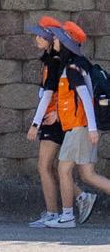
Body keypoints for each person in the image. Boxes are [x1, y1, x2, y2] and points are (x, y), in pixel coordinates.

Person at [46, 21, 110, 229]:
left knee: (63, 169)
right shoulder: (78, 65)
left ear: (66, 43)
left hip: (79, 128)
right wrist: (58, 114)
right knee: (88, 175)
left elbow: (85, 98)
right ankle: (67, 214)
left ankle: (67, 216)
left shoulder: (72, 68)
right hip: (82, 127)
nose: (54, 40)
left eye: (58, 38)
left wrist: (91, 128)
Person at [25, 15, 73, 228]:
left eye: (41, 36)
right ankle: (60, 208)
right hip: (52, 117)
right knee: (49, 167)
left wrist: (35, 124)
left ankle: (54, 213)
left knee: (44, 166)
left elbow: (48, 95)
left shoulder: (54, 61)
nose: (37, 38)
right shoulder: (50, 60)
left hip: (52, 119)